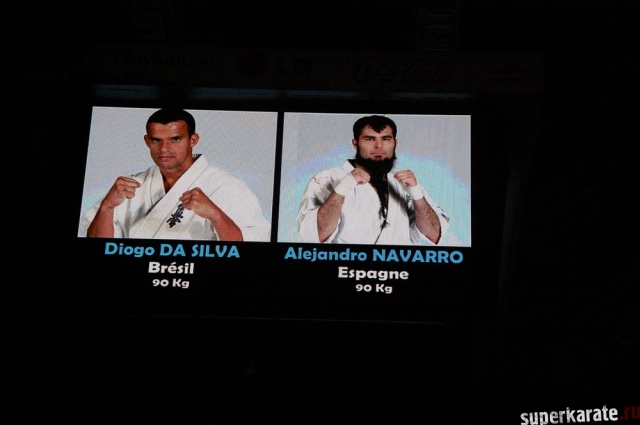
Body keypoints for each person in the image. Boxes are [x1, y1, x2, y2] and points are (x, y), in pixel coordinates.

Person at [81, 108, 270, 241]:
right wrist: (107, 206)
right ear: (147, 141)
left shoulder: (227, 186)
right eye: (156, 140)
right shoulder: (128, 187)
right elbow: (97, 249)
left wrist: (216, 215)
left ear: (193, 140)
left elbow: (249, 251)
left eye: (175, 139)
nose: (164, 148)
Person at [297, 115, 449, 245]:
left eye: (386, 139)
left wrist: (416, 194)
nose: (379, 146)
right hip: (345, 265)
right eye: (370, 139)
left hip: (397, 267)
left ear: (395, 143)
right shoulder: (328, 178)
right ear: (355, 143)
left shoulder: (406, 184)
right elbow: (315, 235)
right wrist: (342, 189)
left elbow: (434, 235)